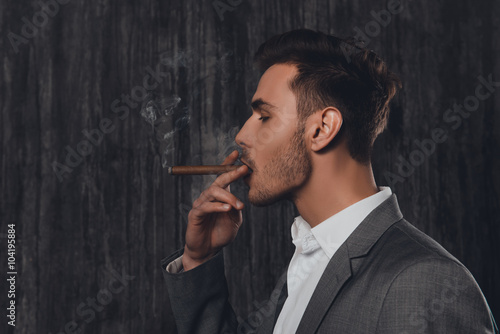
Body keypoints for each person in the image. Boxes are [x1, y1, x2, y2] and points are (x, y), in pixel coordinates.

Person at [161, 29, 498, 333]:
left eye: (264, 117)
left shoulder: (428, 284)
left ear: (322, 129)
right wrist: (199, 259)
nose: (242, 136)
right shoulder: (312, 255)